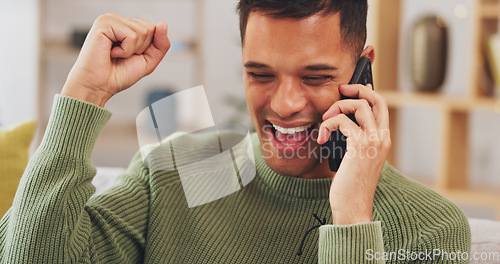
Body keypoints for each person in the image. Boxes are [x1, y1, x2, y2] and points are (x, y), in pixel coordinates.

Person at [0, 0, 471, 263]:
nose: (284, 105)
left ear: (362, 70)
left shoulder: (433, 229)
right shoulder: (176, 171)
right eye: (260, 74)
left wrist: (350, 218)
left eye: (316, 78)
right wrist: (83, 96)